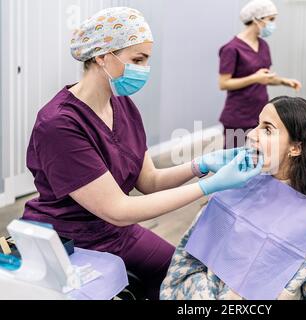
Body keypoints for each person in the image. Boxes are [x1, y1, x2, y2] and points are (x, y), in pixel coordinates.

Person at [22, 7, 262, 300]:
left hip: (116, 232)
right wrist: (209, 186)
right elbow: (117, 209)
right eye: (138, 59)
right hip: (72, 239)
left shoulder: (122, 105)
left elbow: (148, 180)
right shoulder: (59, 124)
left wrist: (201, 165)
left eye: (147, 59)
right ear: (102, 55)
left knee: (182, 274)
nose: (145, 69)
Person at [160, 97, 306, 300]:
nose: (252, 135)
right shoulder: (234, 189)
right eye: (257, 125)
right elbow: (187, 264)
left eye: (267, 129)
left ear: (296, 148)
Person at [219, 0, 302, 148]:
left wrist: (284, 81)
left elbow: (265, 77)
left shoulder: (263, 45)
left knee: (258, 157)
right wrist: (254, 78)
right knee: (231, 158)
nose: (273, 25)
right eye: (271, 20)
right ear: (257, 19)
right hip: (238, 114)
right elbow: (224, 83)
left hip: (261, 113)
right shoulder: (231, 48)